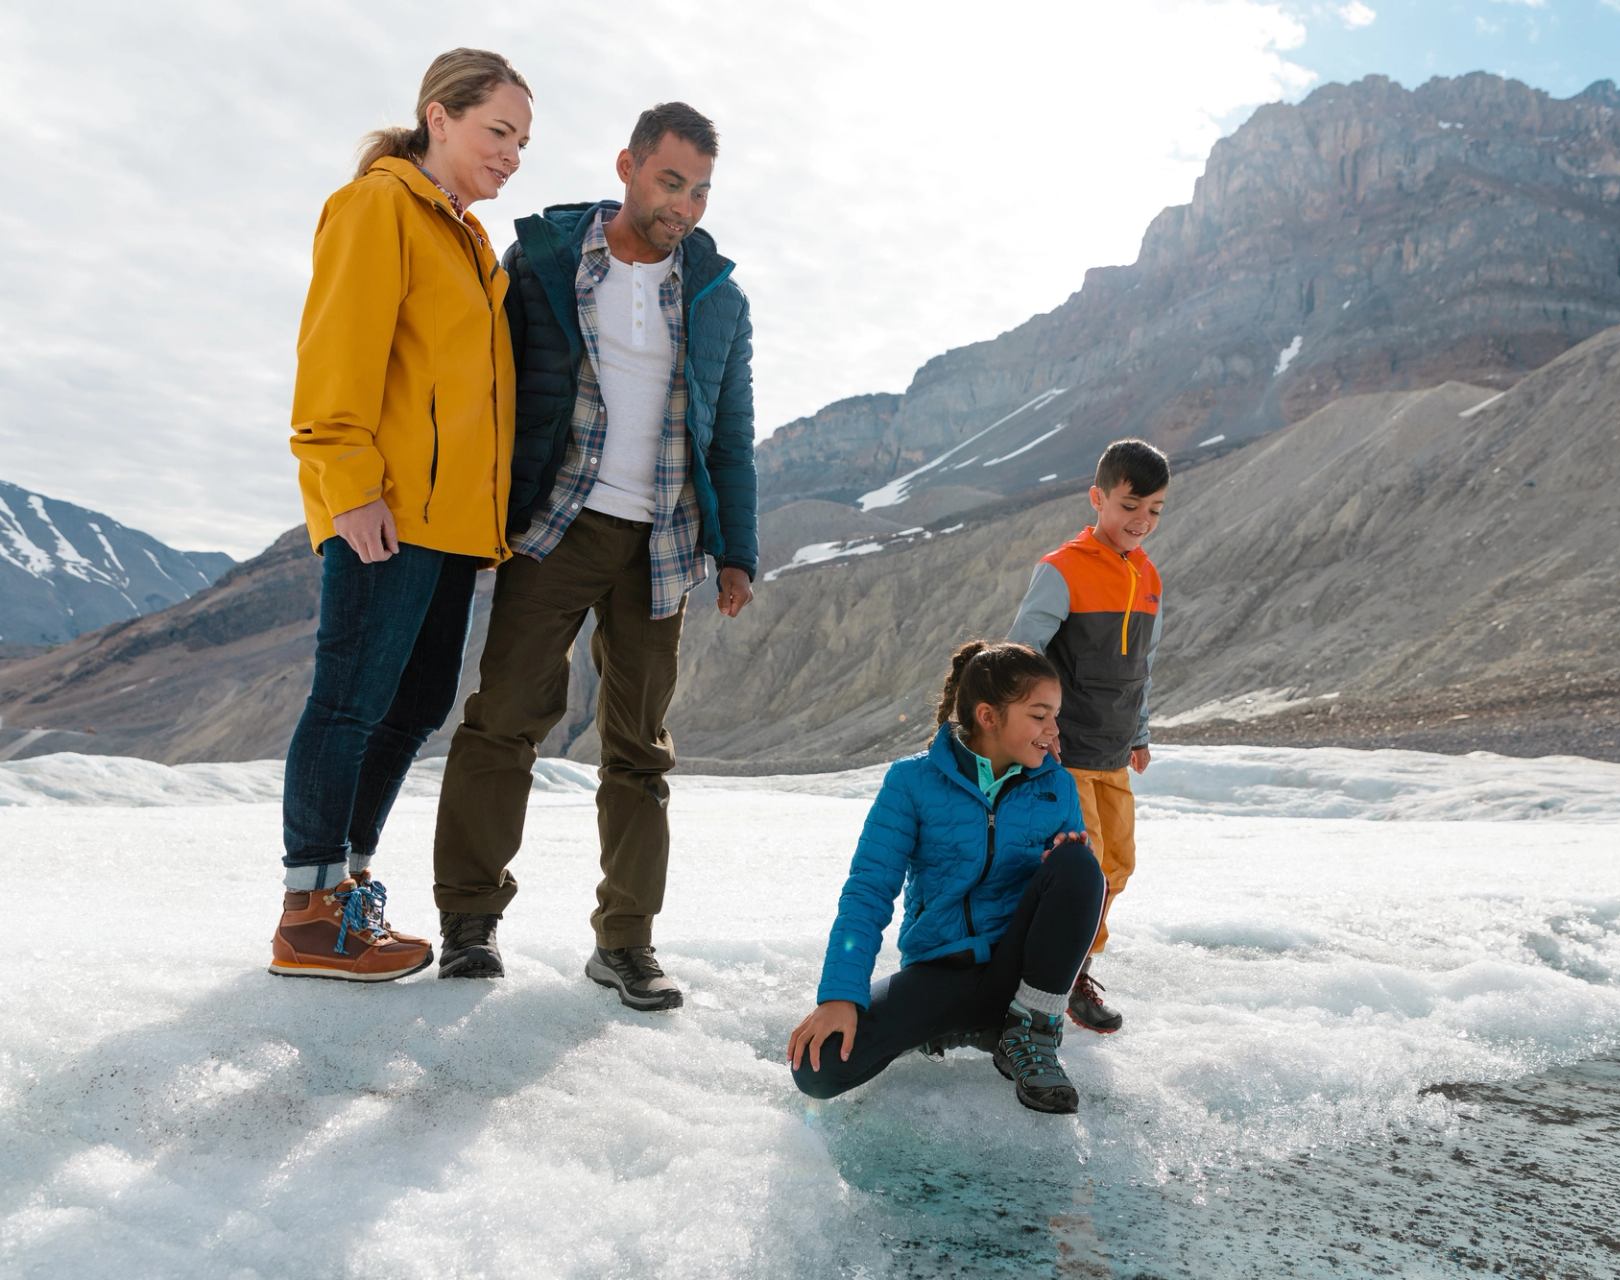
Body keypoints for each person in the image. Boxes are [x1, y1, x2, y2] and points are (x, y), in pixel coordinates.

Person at [430, 102, 758, 1009]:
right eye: (669, 182)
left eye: (698, 190)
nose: (684, 205)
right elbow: (483, 387)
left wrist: (738, 554)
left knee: (640, 751)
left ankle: (625, 945)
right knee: (504, 721)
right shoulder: (544, 263)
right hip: (554, 528)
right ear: (628, 165)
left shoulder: (718, 296)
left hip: (661, 545)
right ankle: (469, 925)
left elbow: (732, 432)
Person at [272, 49, 532, 982]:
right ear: (440, 116)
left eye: (522, 142)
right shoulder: (380, 206)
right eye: (498, 131)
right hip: (390, 512)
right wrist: (350, 485)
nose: (511, 155)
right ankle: (307, 913)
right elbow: (335, 356)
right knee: (348, 702)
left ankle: (347, 885)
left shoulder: (466, 240)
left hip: (454, 526)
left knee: (415, 704)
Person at [788, 641, 1107, 1115]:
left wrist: (1059, 862)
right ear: (988, 716)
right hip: (940, 972)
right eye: (1040, 715)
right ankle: (964, 1027)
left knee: (1080, 865)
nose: (1054, 730)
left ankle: (1030, 1033)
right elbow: (868, 892)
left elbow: (1070, 896)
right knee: (819, 1068)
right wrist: (839, 995)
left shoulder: (1055, 785)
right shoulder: (911, 783)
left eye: (1055, 716)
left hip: (1019, 973)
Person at [1007, 438, 1170, 1032]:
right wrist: (1033, 729)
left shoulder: (1148, 576)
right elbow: (1024, 656)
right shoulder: (1063, 569)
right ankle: (1062, 975)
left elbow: (1140, 669)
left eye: (1154, 509)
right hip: (1066, 751)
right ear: (1098, 497)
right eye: (1131, 505)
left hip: (1113, 750)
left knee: (1119, 866)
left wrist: (1141, 730)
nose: (1142, 521)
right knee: (1088, 866)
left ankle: (1074, 963)